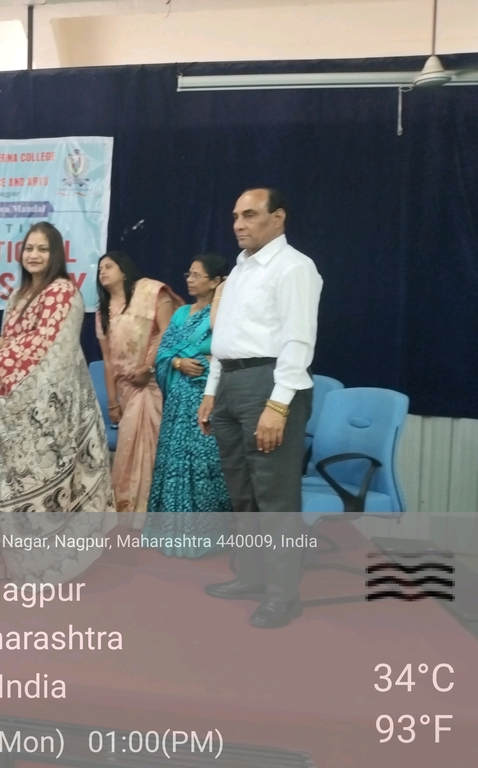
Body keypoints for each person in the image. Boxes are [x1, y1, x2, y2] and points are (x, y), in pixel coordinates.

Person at [197, 188, 322, 629]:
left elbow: (298, 339)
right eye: (235, 216)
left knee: (275, 498)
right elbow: (225, 338)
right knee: (243, 494)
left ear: (278, 217)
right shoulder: (239, 271)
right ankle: (251, 576)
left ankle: (283, 596)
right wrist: (212, 390)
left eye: (250, 215)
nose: (238, 224)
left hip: (268, 383)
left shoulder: (294, 267)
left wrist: (278, 405)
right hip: (231, 383)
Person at [0, 222, 116, 583]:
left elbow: (46, 347)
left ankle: (47, 570)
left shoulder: (62, 292)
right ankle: (17, 567)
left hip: (50, 415)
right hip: (18, 414)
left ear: (55, 255)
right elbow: (16, 338)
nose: (34, 255)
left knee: (46, 491)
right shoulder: (19, 294)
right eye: (29, 248)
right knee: (17, 488)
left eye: (42, 249)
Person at [145, 254, 233, 556]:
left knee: (203, 462)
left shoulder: (223, 314)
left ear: (216, 281)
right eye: (189, 274)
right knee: (174, 461)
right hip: (178, 399)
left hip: (208, 397)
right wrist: (178, 363)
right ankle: (170, 533)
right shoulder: (181, 313)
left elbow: (226, 353)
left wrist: (204, 367)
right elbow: (164, 353)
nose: (190, 280)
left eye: (197, 275)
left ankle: (209, 536)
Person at [94, 251, 182, 526]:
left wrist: (149, 368)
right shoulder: (102, 313)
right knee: (129, 448)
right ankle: (129, 511)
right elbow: (108, 360)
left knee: (154, 447)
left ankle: (154, 511)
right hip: (126, 388)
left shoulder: (150, 293)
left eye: (109, 266)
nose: (103, 272)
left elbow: (169, 333)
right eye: (100, 269)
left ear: (124, 270)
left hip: (155, 384)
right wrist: (112, 401)